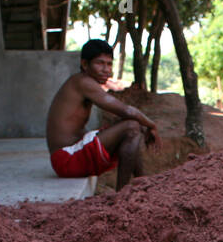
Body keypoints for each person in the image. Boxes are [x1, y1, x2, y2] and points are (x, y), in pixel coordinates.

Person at [45, 39, 158, 189]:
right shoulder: (83, 82)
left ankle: (143, 184)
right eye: (100, 63)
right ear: (85, 64)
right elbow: (126, 110)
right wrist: (152, 125)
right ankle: (122, 195)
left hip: (70, 154)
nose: (106, 70)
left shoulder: (81, 81)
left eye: (109, 64)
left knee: (133, 127)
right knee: (131, 127)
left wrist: (144, 126)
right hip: (66, 159)